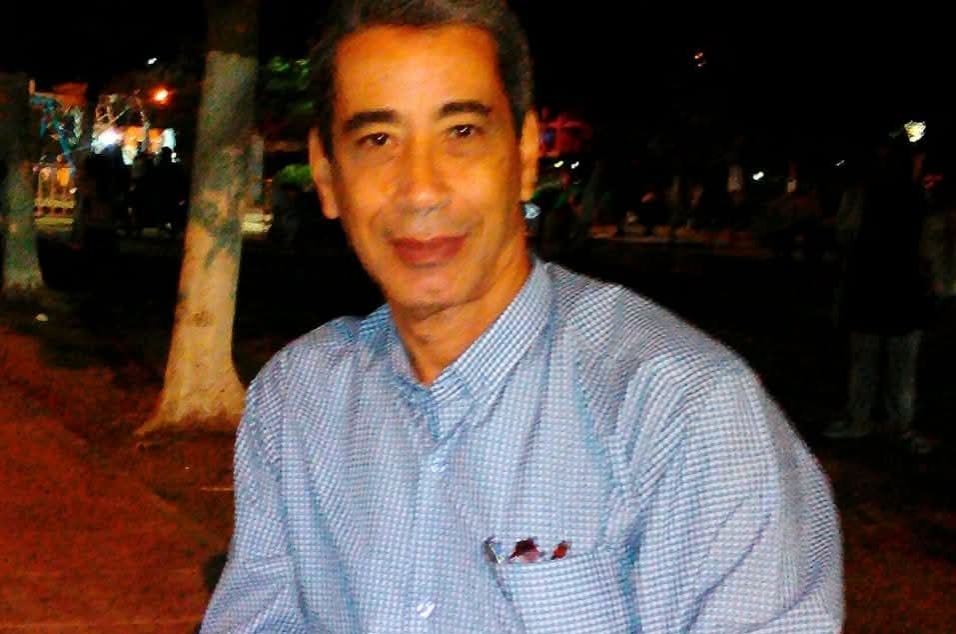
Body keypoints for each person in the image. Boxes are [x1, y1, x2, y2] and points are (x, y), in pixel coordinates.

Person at [200, 1, 844, 631]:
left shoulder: (680, 412)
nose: (420, 189)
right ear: (326, 174)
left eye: (461, 132)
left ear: (526, 153)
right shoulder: (298, 402)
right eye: (378, 140)